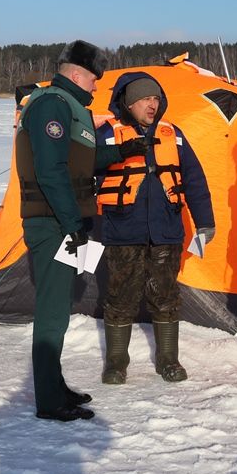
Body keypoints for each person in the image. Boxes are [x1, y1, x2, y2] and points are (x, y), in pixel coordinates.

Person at [15, 39, 125, 422]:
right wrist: (73, 224)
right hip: (52, 223)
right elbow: (50, 171)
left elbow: (83, 163)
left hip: (60, 221)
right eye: (95, 79)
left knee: (59, 309)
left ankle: (54, 385)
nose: (96, 87)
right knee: (51, 313)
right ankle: (48, 401)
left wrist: (127, 152)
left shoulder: (68, 108)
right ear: (78, 74)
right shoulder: (52, 106)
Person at [95, 72, 216, 384]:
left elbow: (195, 179)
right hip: (123, 229)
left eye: (156, 99)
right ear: (130, 102)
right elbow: (84, 165)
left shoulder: (172, 134)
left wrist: (205, 221)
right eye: (146, 99)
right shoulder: (108, 133)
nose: (153, 104)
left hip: (165, 230)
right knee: (120, 298)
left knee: (165, 296)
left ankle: (168, 359)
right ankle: (116, 362)